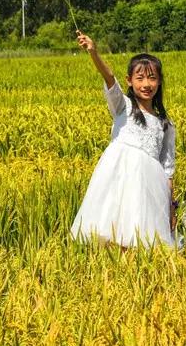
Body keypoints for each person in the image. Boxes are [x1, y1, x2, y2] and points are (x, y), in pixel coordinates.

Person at [70, 31, 177, 248]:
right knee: (113, 229)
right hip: (119, 177)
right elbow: (109, 78)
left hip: (150, 185)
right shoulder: (123, 106)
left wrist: (170, 207)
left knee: (142, 237)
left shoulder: (166, 124)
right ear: (129, 80)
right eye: (140, 78)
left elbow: (168, 169)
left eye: (152, 78)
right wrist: (94, 52)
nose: (146, 84)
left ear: (159, 82)